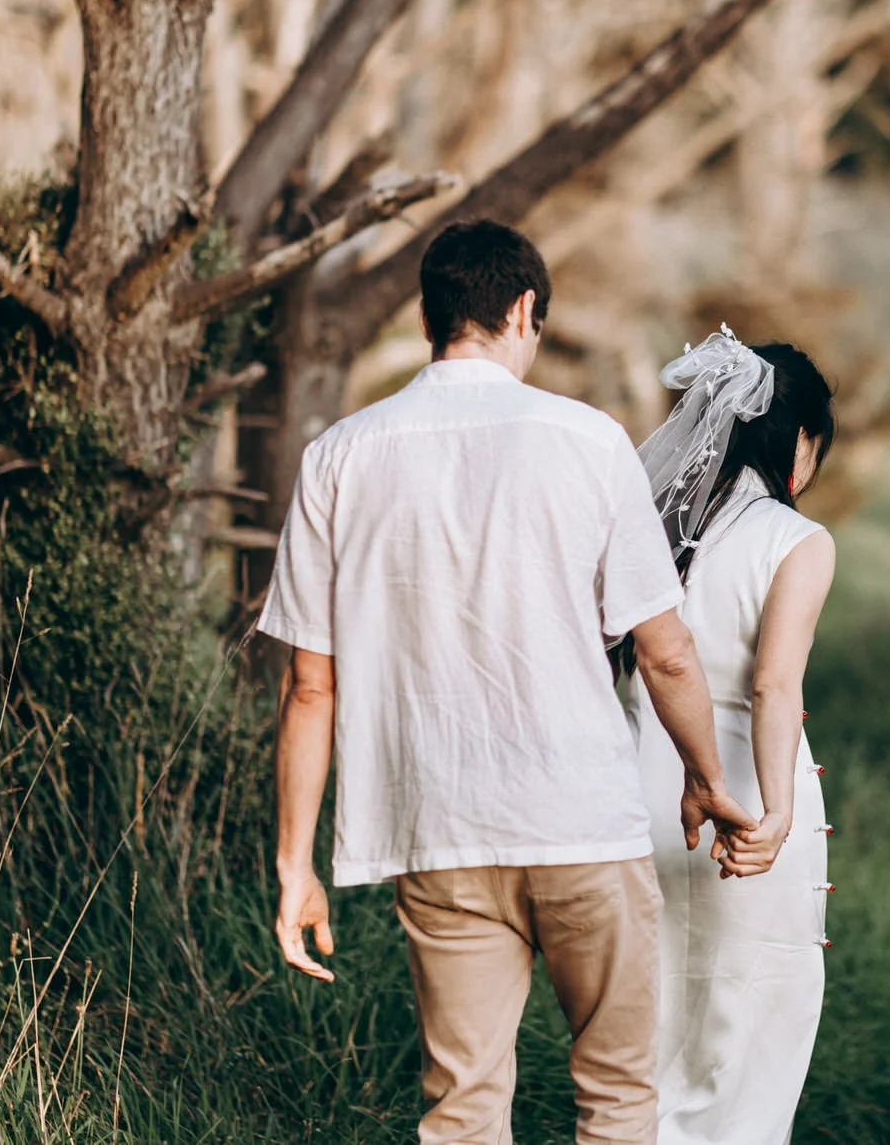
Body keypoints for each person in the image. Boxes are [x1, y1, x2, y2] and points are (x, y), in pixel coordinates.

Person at [259, 219, 759, 1145]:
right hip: (581, 825)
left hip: (439, 831)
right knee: (615, 1097)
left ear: (427, 316)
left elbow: (310, 688)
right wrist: (705, 778)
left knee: (463, 1110)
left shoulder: (339, 454)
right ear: (525, 310)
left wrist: (297, 868)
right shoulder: (588, 441)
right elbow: (666, 651)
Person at [619, 330, 839, 1145]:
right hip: (739, 805)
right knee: (747, 1037)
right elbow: (773, 683)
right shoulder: (797, 542)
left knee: (653, 1035)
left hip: (643, 799)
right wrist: (777, 813)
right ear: (802, 442)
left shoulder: (662, 533)